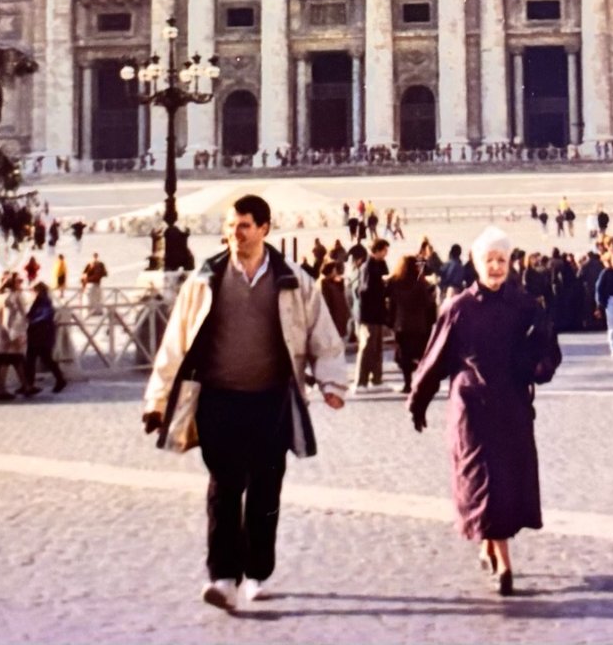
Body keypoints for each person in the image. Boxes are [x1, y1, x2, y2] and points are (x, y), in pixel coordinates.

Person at [143, 196, 348, 613]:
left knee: (265, 489)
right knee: (224, 486)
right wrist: (157, 401)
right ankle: (222, 575)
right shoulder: (204, 279)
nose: (236, 234)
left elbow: (320, 333)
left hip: (272, 398)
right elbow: (175, 344)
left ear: (264, 228)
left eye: (245, 226)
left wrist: (332, 382)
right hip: (218, 397)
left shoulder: (293, 279)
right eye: (231, 226)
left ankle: (256, 573)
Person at [408, 227, 562, 599]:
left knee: (506, 483)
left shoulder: (526, 305)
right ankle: (504, 562)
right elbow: (435, 358)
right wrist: (418, 398)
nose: (495, 267)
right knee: (482, 481)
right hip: (472, 409)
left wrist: (541, 366)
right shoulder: (458, 308)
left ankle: (489, 545)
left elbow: (547, 349)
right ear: (477, 264)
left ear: (510, 264)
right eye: (488, 260)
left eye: (502, 260)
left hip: (510, 405)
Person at [388, 254, 438, 393]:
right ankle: (421, 382)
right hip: (418, 324)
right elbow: (427, 303)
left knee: (404, 355)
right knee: (420, 354)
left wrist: (391, 322)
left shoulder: (395, 282)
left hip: (401, 324)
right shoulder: (420, 283)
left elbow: (391, 304)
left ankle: (407, 383)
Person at [354, 238, 392, 390]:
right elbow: (364, 291)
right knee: (367, 346)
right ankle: (361, 381)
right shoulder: (368, 266)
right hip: (369, 314)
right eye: (384, 251)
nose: (386, 254)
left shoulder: (381, 264)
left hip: (378, 312)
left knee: (377, 346)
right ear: (377, 250)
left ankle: (377, 378)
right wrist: (382, 284)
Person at [23, 281, 69, 396]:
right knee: (35, 359)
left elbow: (46, 315)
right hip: (38, 333)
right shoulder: (40, 300)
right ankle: (30, 384)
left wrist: (31, 321)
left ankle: (59, 380)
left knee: (40, 358)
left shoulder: (44, 301)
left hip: (41, 333)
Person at [0, 274, 29, 395]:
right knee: (7, 360)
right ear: (14, 284)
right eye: (19, 282)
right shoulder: (11, 297)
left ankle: (25, 385)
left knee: (16, 359)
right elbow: (8, 318)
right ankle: (1, 388)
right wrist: (14, 335)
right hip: (8, 333)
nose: (21, 284)